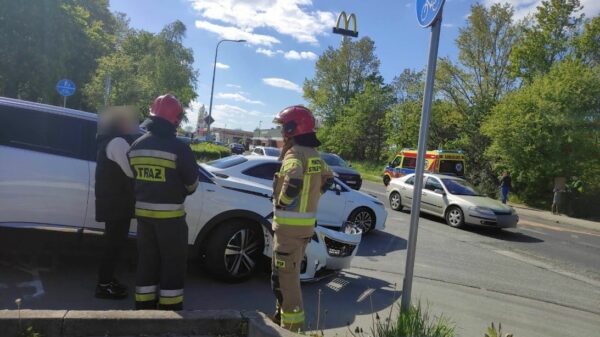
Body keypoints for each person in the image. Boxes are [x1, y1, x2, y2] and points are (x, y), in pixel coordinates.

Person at [128, 94, 199, 310]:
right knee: (173, 263)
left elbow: (134, 176)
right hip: (171, 220)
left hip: (144, 218)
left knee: (147, 261)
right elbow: (192, 184)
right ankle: (169, 311)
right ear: (175, 120)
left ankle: (143, 307)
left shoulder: (136, 146)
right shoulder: (179, 148)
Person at [270, 105, 334, 331]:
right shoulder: (316, 156)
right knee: (284, 276)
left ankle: (291, 330)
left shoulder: (294, 154)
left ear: (291, 129)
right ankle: (280, 319)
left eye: (282, 128)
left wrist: (283, 202)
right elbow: (329, 179)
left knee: (286, 281)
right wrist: (312, 197)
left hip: (288, 231)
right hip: (303, 229)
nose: (280, 133)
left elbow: (294, 181)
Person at [94, 106, 137, 299]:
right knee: (113, 245)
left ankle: (108, 280)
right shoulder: (118, 142)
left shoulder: (108, 140)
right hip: (117, 203)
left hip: (112, 200)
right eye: (128, 121)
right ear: (120, 123)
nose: (132, 124)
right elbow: (131, 171)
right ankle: (104, 285)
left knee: (113, 243)